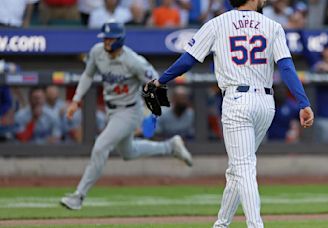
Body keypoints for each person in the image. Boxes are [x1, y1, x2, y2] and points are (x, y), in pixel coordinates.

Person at [149, 0, 314, 227]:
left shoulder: (217, 23)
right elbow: (286, 67)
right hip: (265, 103)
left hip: (237, 100)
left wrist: (160, 80)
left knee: (244, 167)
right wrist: (303, 102)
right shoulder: (272, 25)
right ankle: (222, 223)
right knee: (238, 168)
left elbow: (187, 60)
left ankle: (255, 225)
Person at [60, 22, 193, 210]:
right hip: (112, 110)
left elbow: (155, 83)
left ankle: (78, 196)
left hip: (130, 110)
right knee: (128, 153)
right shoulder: (97, 52)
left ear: (120, 39)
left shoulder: (134, 61)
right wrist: (76, 99)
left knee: (100, 147)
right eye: (105, 38)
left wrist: (149, 113)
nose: (106, 42)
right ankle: (169, 147)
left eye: (110, 39)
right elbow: (88, 75)